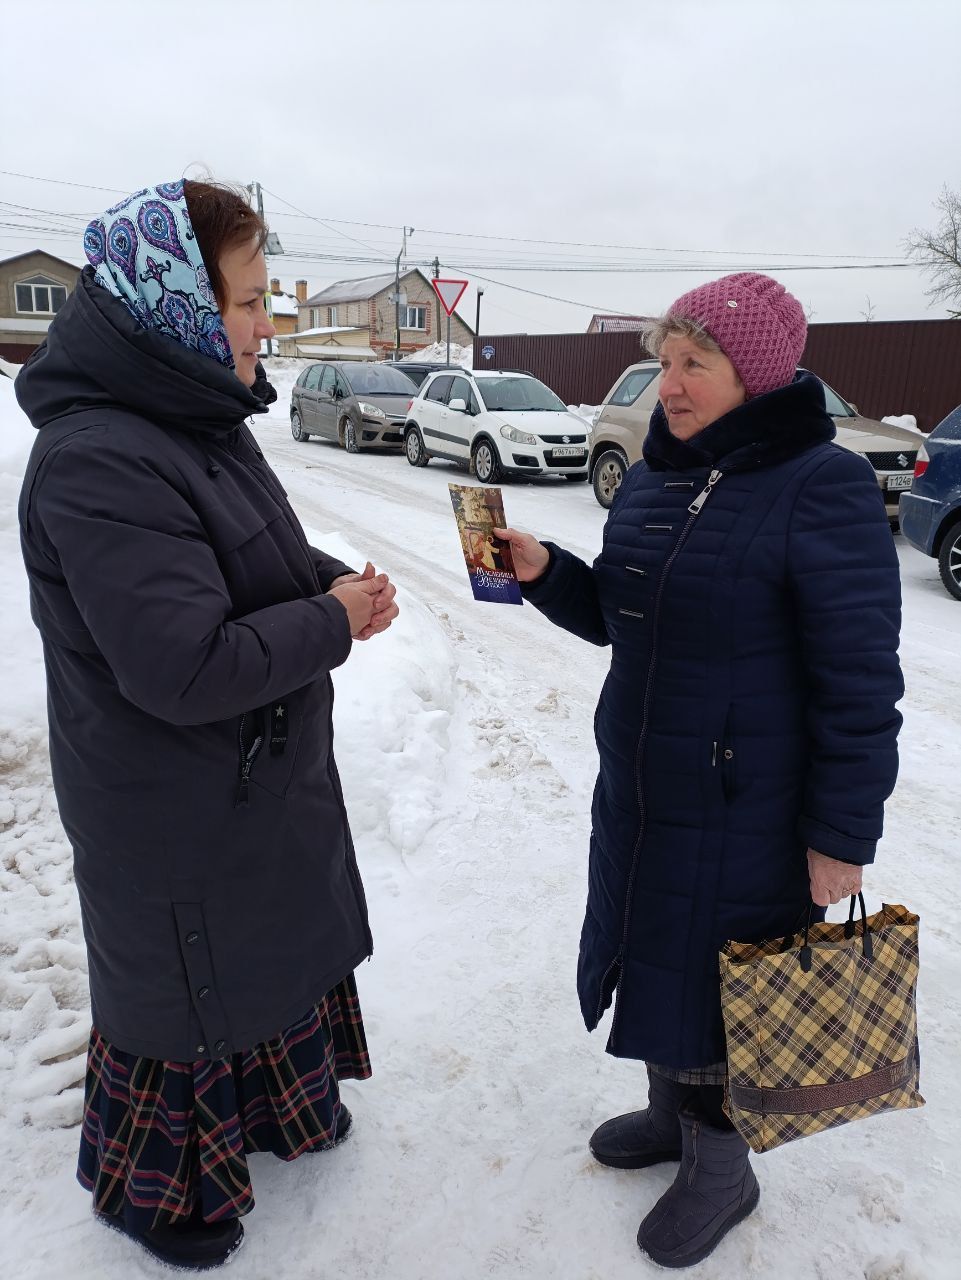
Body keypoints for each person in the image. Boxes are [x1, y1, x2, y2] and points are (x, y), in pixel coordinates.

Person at [17, 178, 398, 1272]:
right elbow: (182, 665)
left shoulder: (193, 417)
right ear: (175, 302)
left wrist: (327, 583)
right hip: (171, 797)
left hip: (242, 776)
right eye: (244, 299)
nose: (263, 324)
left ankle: (278, 1107)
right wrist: (329, 621)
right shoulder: (99, 457)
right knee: (185, 990)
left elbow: (241, 551)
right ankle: (158, 1192)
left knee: (266, 947)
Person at [495, 272, 902, 1268]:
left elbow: (857, 681)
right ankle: (668, 1109)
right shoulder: (656, 475)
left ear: (753, 373)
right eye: (664, 361)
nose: (667, 385)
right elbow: (623, 618)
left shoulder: (821, 484)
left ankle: (723, 1165)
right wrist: (546, 573)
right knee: (654, 950)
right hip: (640, 785)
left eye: (694, 364)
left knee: (728, 982)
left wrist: (840, 836)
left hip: (748, 805)